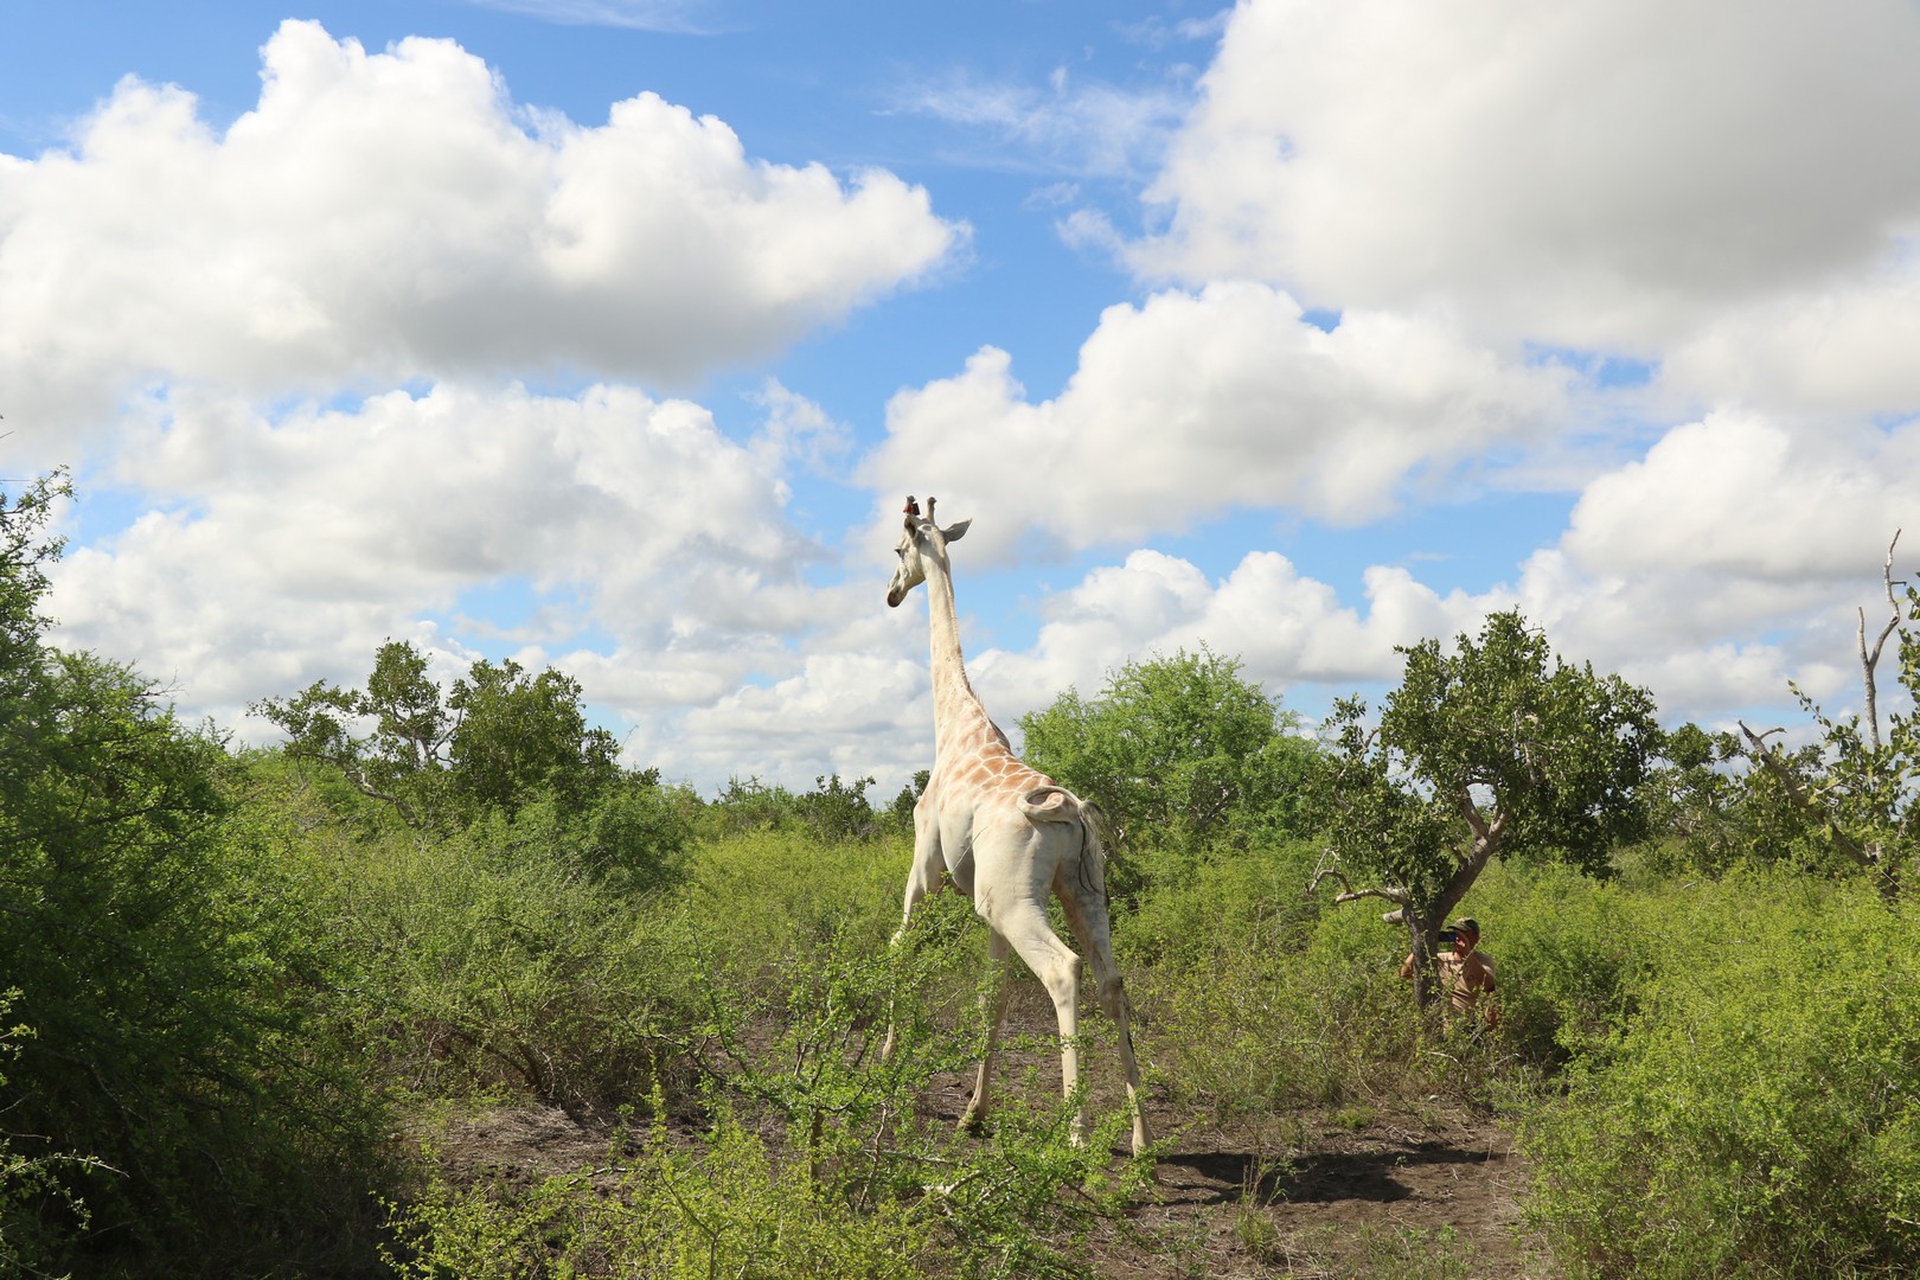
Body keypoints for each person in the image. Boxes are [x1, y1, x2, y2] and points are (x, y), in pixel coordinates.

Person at [1401, 916, 1499, 1027]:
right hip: (1448, 1026)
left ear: (1475, 938)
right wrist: (1422, 945)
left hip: (1474, 1025)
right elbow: (1405, 973)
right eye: (1455, 934)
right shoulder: (1440, 959)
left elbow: (1488, 984)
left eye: (1464, 934)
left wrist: (1466, 952)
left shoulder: (1482, 960)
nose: (1458, 938)